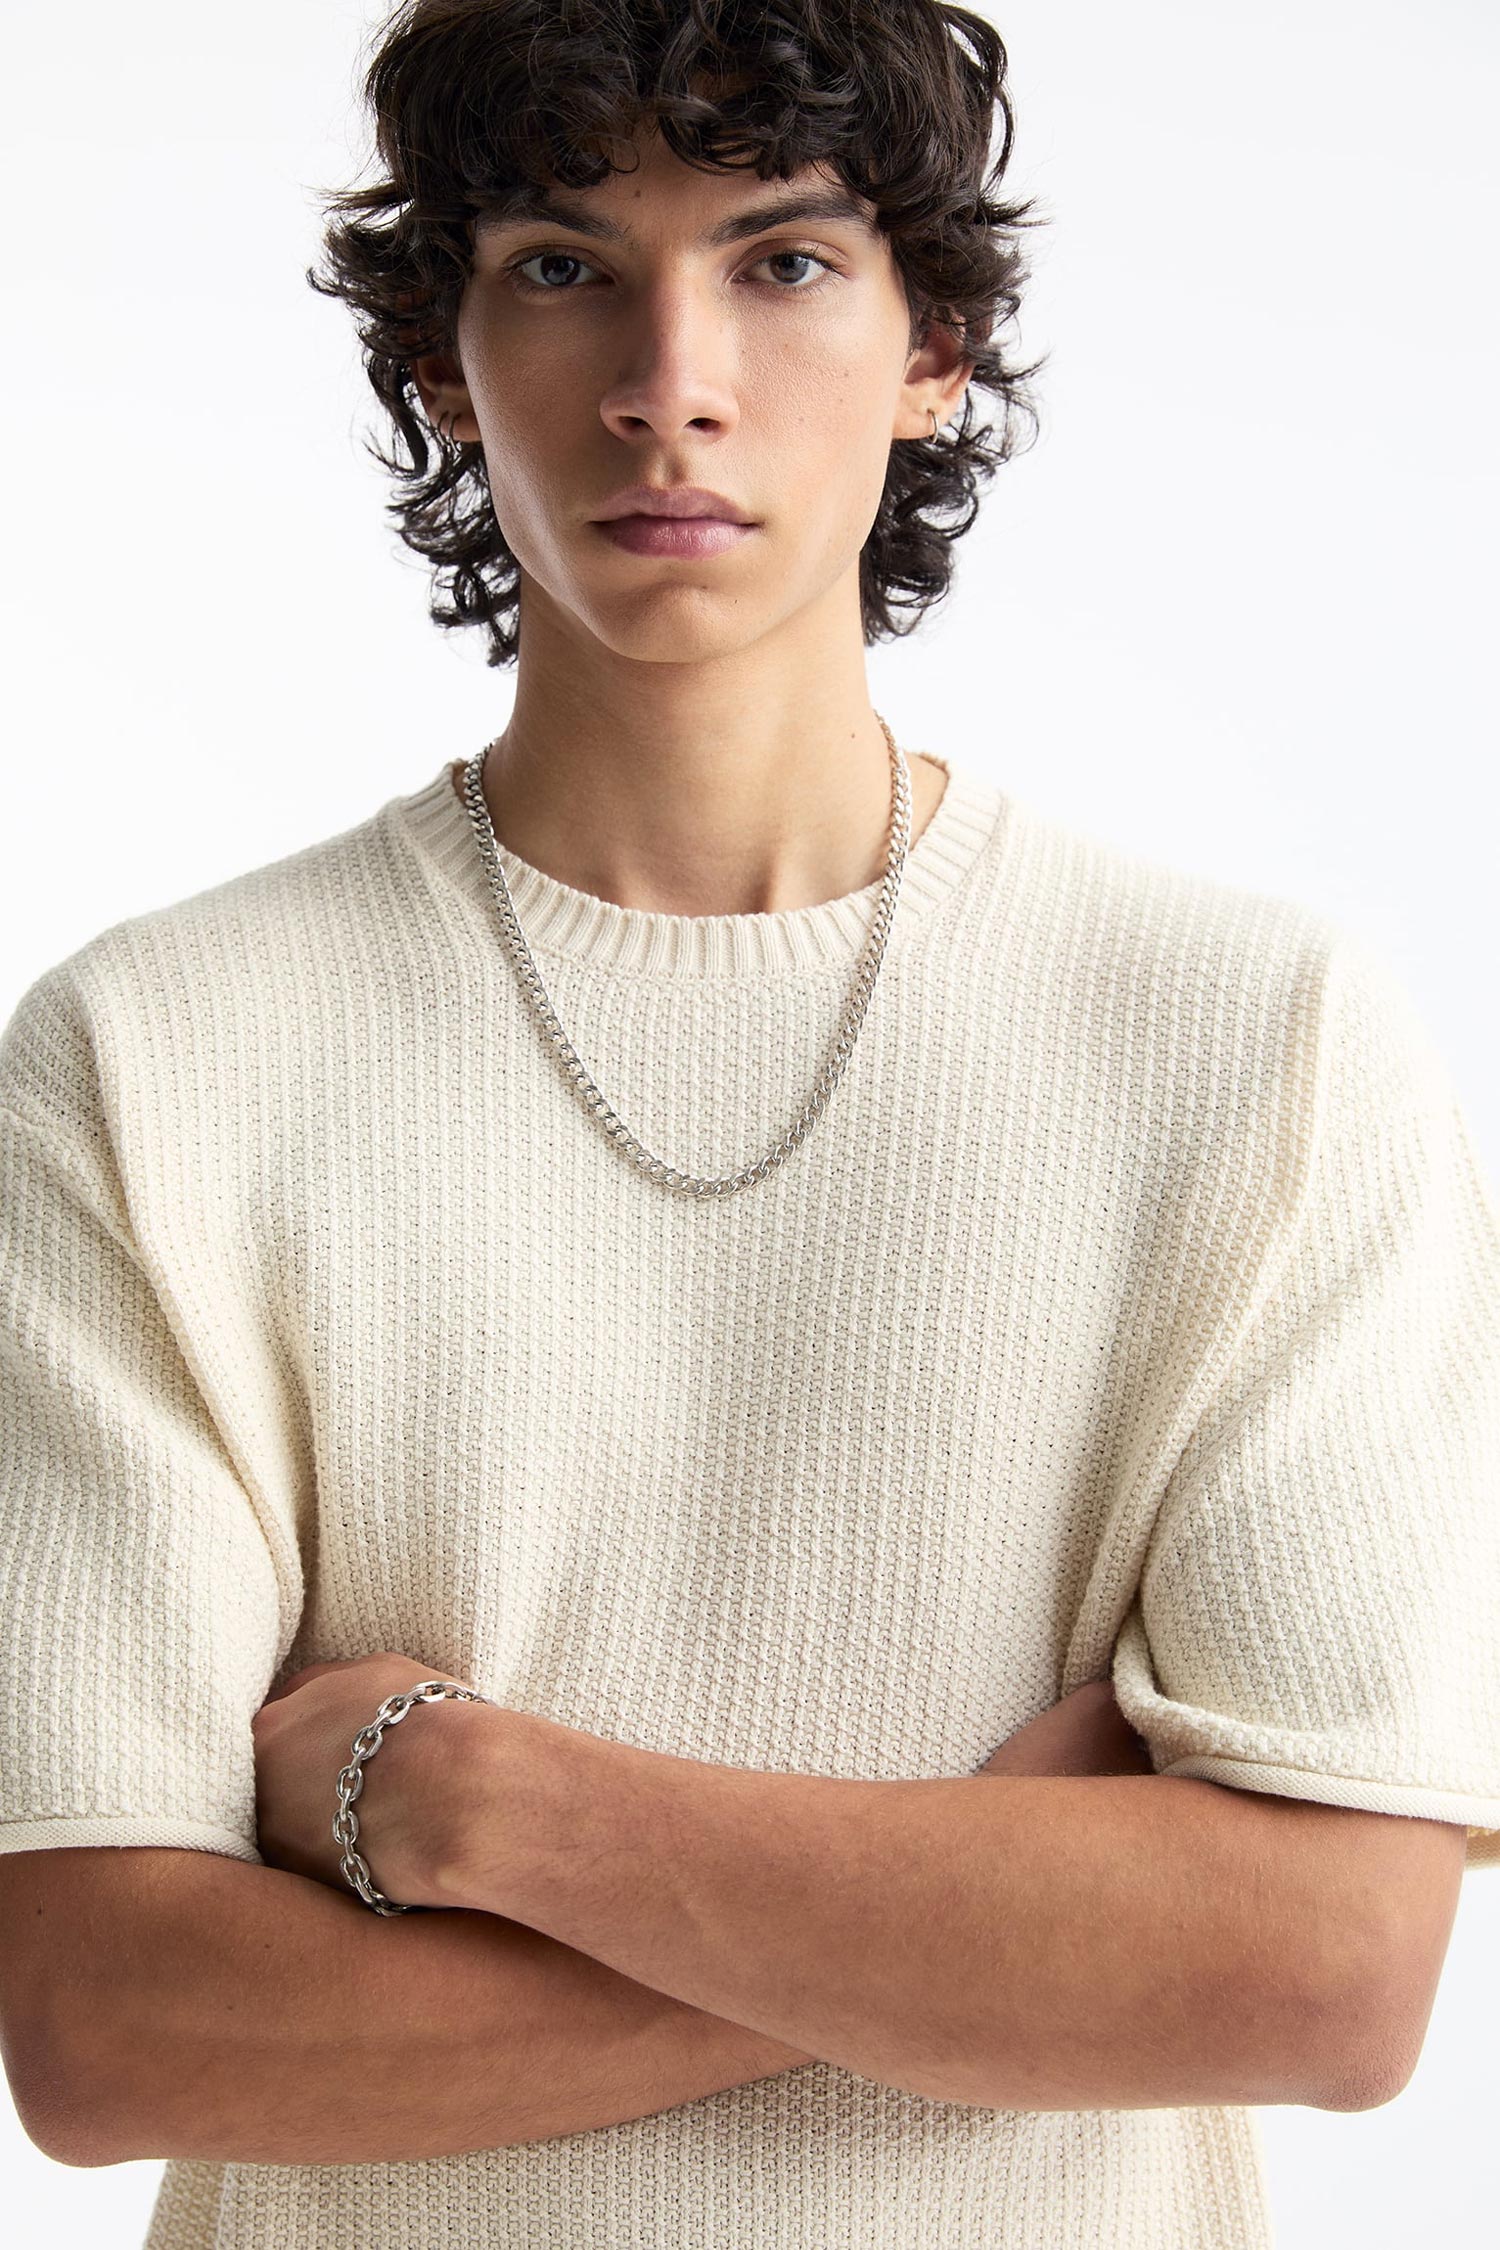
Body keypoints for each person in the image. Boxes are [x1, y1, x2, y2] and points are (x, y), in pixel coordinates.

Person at [2, 4, 1498, 2246]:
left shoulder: (1260, 1046)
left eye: (783, 263)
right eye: (561, 267)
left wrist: (475, 1798)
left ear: (934, 348)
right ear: (440, 359)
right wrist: (1015, 1912)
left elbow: (1321, 1973)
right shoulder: (156, 1057)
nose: (668, 381)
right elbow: (111, 2029)